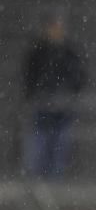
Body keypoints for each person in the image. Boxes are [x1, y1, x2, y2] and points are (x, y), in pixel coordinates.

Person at [22, 12, 85, 178]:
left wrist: (68, 95)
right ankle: (35, 180)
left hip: (63, 107)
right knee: (39, 142)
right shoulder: (38, 52)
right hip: (42, 104)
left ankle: (55, 178)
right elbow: (30, 76)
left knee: (60, 144)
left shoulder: (69, 52)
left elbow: (78, 77)